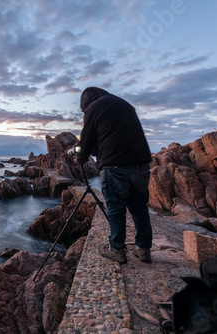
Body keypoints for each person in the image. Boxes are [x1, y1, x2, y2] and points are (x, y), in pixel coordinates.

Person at [75, 87, 153, 264]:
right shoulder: (125, 105)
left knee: (116, 211)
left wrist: (79, 158)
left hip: (115, 167)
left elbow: (86, 141)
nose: (84, 112)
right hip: (141, 166)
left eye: (83, 109)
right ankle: (143, 249)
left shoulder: (94, 108)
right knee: (140, 209)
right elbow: (112, 135)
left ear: (87, 101)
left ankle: (117, 249)